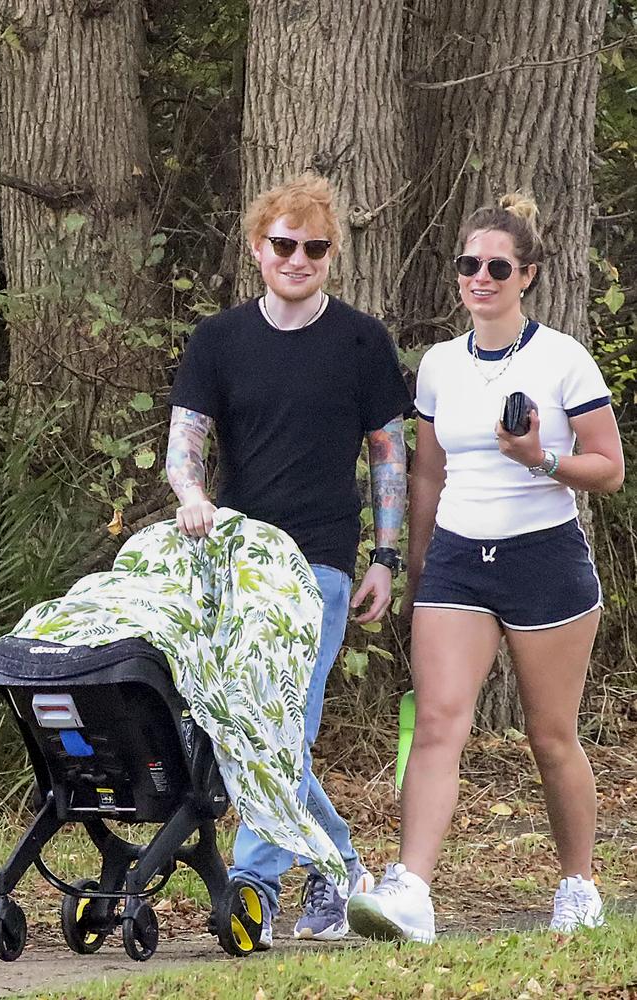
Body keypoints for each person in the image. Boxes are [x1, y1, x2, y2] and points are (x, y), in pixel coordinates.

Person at [348, 193, 625, 943]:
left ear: (526, 275)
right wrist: (417, 561)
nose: (480, 277)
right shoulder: (439, 364)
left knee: (549, 736)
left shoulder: (562, 357)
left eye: (496, 267)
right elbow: (429, 473)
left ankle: (578, 884)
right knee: (438, 722)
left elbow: (610, 468)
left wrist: (543, 458)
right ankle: (412, 890)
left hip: (546, 559)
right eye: (468, 265)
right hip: (459, 563)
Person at [165, 173, 411, 945]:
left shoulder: (364, 342)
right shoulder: (219, 340)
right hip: (238, 560)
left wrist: (386, 556)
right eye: (284, 244)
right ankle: (341, 868)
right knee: (247, 730)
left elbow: (389, 457)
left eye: (315, 247)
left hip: (324, 560)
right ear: (256, 249)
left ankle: (253, 888)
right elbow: (184, 446)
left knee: (281, 730)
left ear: (332, 255)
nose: (298, 258)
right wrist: (191, 495)